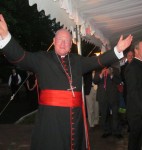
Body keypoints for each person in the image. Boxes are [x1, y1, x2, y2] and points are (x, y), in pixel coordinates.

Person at [0, 14, 132, 150]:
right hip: (51, 119)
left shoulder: (77, 61)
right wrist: (6, 37)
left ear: (70, 45)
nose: (63, 43)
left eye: (67, 41)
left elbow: (97, 61)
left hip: (75, 119)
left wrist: (117, 50)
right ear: (54, 41)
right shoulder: (42, 59)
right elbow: (21, 57)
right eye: (60, 40)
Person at [93, 66, 122, 139]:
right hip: (102, 96)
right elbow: (95, 81)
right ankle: (106, 131)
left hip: (113, 96)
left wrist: (111, 74)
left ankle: (116, 131)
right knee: (104, 115)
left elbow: (119, 81)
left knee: (115, 114)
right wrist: (101, 74)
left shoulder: (115, 69)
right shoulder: (98, 69)